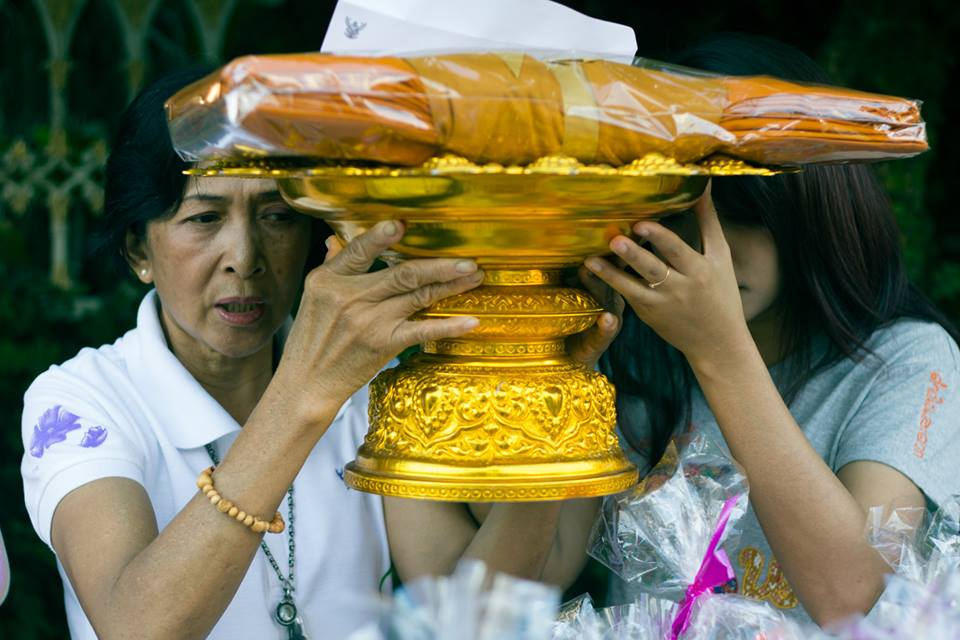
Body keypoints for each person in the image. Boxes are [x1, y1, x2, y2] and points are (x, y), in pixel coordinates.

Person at [20, 68, 618, 639]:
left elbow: (471, 620)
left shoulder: (368, 388)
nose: (244, 257)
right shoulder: (82, 400)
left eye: (276, 217)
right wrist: (306, 391)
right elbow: (135, 627)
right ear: (138, 251)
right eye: (204, 218)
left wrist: (544, 387)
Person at [588, 33, 960, 626]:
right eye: (678, 213)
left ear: (812, 206)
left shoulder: (907, 360)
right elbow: (537, 573)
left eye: (741, 216)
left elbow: (852, 592)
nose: (711, 248)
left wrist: (717, 350)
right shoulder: (634, 350)